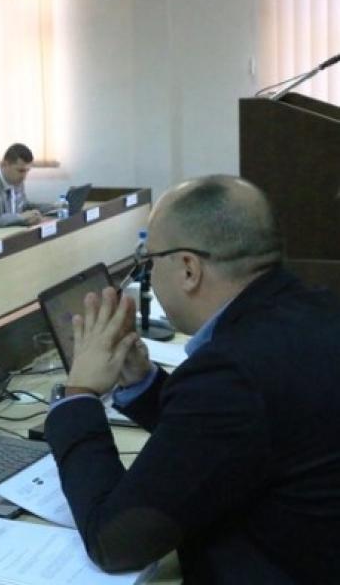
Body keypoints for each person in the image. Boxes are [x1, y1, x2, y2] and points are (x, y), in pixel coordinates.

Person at [44, 175, 340, 583]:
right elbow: (230, 438)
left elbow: (115, 542)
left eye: (149, 261)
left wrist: (78, 395)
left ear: (188, 269)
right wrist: (141, 381)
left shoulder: (230, 372)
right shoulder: (316, 309)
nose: (149, 276)